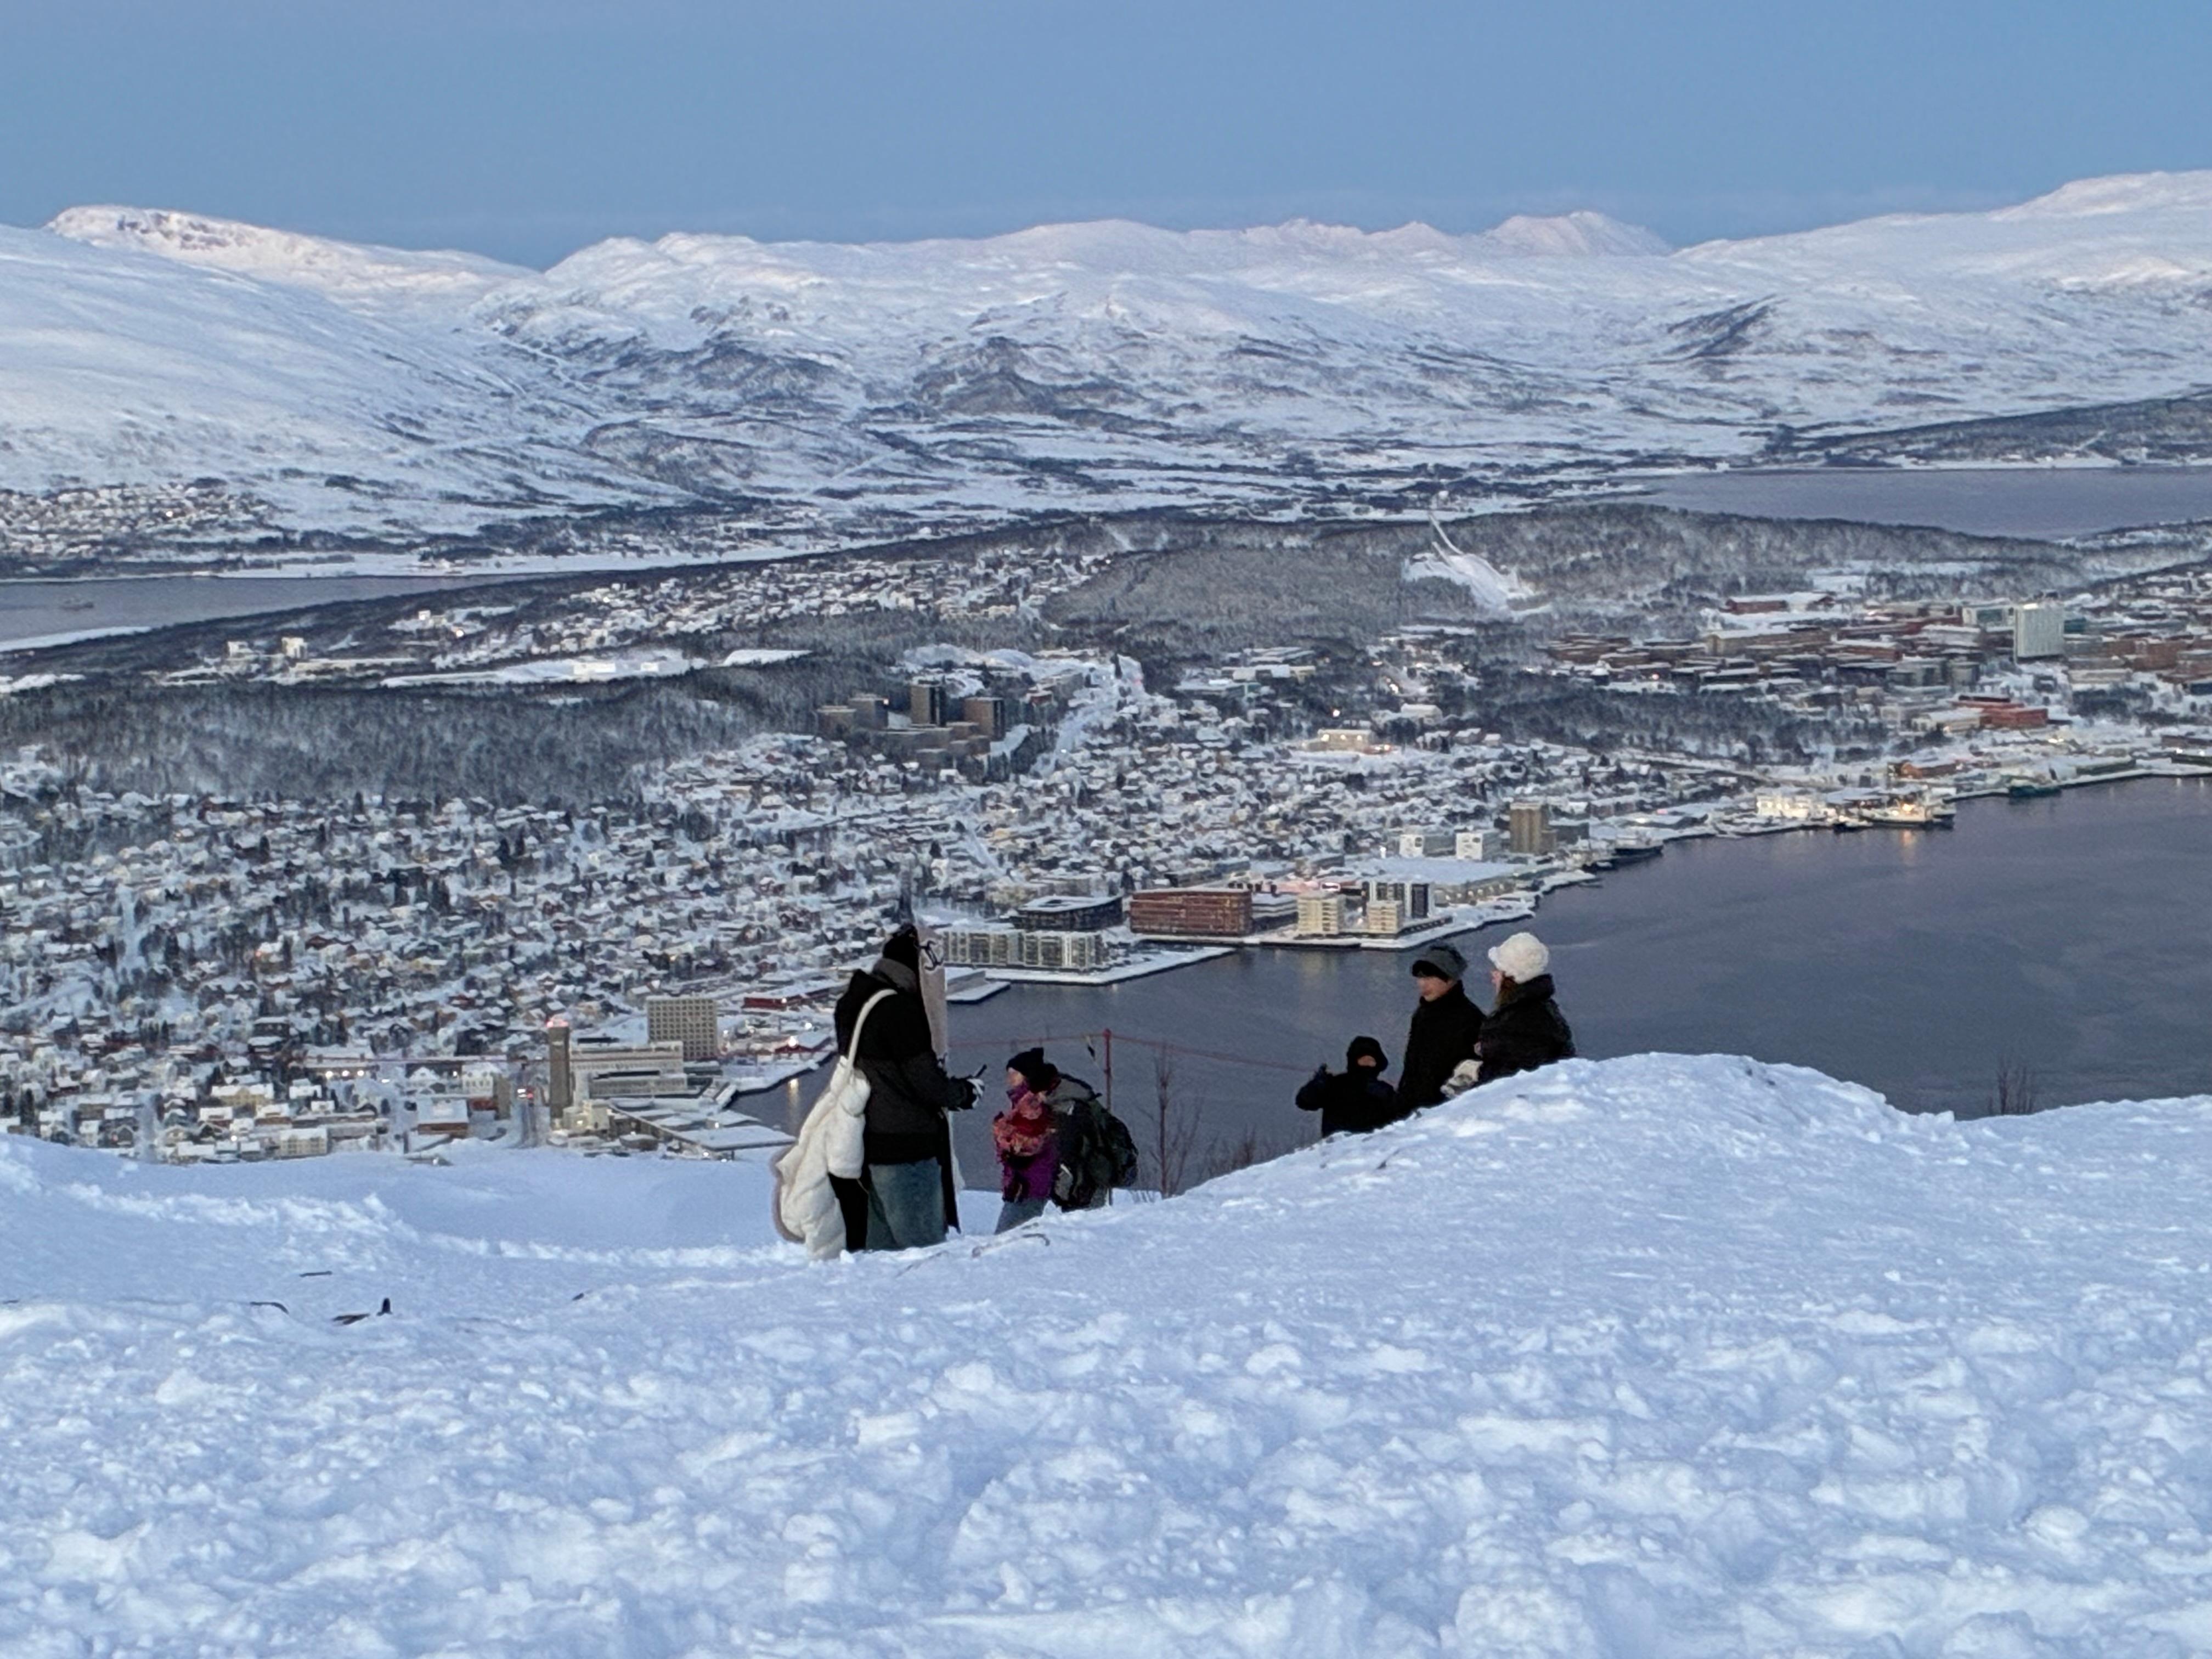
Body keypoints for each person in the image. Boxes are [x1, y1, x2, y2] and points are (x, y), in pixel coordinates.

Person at [832, 925, 976, 1250]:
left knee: (882, 1252)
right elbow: (925, 1082)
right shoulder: (899, 1012)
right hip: (908, 1145)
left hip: (868, 1143)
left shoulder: (854, 1003)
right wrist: (964, 1093)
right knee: (923, 1250)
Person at [1007, 1047, 1129, 1210]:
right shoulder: (1042, 1102)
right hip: (1067, 1182)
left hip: (1084, 1181)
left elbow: (1071, 1151)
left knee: (1085, 1230)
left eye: (1014, 1074)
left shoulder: (1066, 1106)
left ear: (1029, 1077)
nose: (1009, 1080)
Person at [1476, 932, 1577, 1083]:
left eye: (1497, 969)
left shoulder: (1512, 1023)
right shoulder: (1544, 1008)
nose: (1493, 975)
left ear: (1510, 977)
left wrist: (1476, 1074)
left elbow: (1499, 1086)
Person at [1397, 942, 1486, 1110]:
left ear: (1449, 978)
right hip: (1411, 1109)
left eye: (1430, 978)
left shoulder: (1471, 1019)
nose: (1422, 984)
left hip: (1444, 1111)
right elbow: (1412, 1067)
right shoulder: (1422, 1014)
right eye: (1420, 978)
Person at [992, 1062, 1060, 1232]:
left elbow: (1028, 1144)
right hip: (1025, 1183)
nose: (1009, 1079)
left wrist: (1001, 1131)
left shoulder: (1031, 1105)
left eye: (1014, 1074)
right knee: (1011, 1237)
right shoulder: (1023, 1103)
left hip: (1029, 1184)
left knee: (1008, 1239)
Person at [1295, 1036, 1398, 1136]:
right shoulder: (1336, 1084)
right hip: (1338, 1148)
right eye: (1363, 1061)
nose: (1367, 1064)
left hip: (1372, 1149)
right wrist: (1316, 1087)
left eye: (1371, 1061)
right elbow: (1304, 1102)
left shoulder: (1384, 1090)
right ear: (1354, 1062)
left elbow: (1398, 1120)